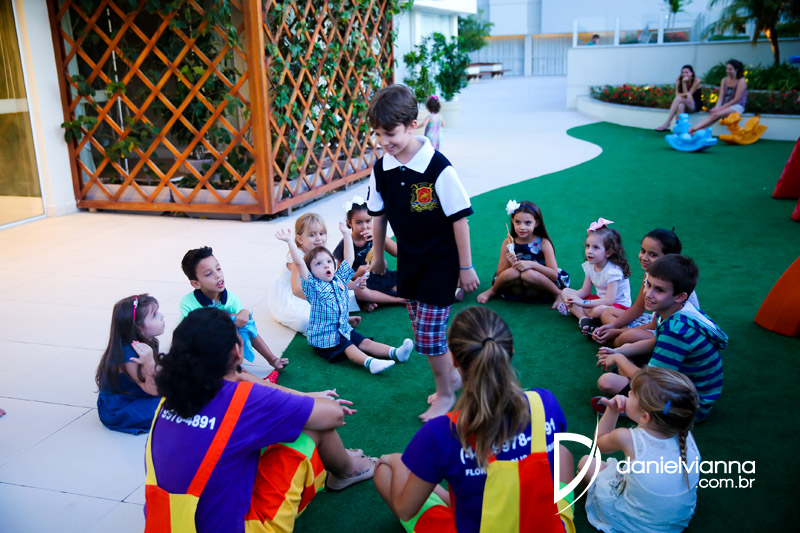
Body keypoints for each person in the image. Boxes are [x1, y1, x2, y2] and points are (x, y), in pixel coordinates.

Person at [144, 307, 378, 532]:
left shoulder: (170, 398)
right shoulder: (240, 398)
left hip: (168, 524)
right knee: (311, 425)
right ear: (237, 352)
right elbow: (333, 415)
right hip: (239, 529)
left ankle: (343, 459)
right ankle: (348, 471)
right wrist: (247, 379)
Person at [373, 307, 575, 533]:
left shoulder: (441, 432)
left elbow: (405, 510)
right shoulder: (545, 402)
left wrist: (396, 461)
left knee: (385, 470)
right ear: (511, 350)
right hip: (547, 527)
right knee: (561, 452)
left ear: (453, 360)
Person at [366, 84, 480, 421]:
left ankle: (445, 394)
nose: (384, 141)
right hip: (410, 262)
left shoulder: (438, 167)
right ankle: (454, 377)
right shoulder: (382, 168)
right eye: (378, 134)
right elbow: (378, 215)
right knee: (423, 331)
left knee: (428, 337)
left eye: (390, 133)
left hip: (440, 263)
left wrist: (466, 267)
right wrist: (378, 256)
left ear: (411, 125)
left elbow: (460, 220)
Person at [596, 255, 727, 421]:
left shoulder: (676, 332)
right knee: (629, 353)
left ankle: (632, 408)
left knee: (606, 382)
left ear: (680, 296)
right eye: (648, 285)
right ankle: (632, 396)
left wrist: (619, 359)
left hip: (687, 407)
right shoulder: (675, 309)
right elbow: (654, 341)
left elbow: (651, 381)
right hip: (682, 381)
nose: (648, 294)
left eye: (659, 290)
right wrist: (618, 351)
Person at [276, 223, 413, 374]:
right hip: (326, 338)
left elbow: (349, 259)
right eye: (319, 264)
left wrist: (347, 235)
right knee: (349, 346)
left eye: (329, 261)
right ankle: (370, 363)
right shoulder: (313, 286)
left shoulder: (338, 279)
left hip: (342, 328)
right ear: (311, 272)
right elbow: (300, 264)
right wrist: (290, 242)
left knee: (364, 341)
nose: (326, 266)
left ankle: (395, 353)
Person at [579, 367, 701, 533]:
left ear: (644, 417)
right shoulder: (685, 433)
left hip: (637, 526)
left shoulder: (627, 437)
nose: (628, 393)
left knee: (586, 463)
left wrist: (612, 410)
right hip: (676, 524)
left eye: (632, 393)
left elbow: (599, 443)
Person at [180, 246, 288, 373]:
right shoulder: (188, 304)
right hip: (202, 349)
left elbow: (243, 325)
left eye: (218, 268)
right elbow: (189, 335)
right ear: (196, 284)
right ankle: (231, 368)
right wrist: (226, 318)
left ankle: (272, 359)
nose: (218, 275)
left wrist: (245, 313)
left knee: (245, 324)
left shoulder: (231, 299)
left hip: (227, 345)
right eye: (209, 274)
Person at [592, 228, 700, 351]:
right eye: (643, 251)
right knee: (607, 312)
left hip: (669, 332)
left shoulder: (671, 283)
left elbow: (656, 325)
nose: (644, 257)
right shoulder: (651, 273)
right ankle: (619, 339)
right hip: (655, 321)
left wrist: (618, 332)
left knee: (628, 336)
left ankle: (614, 342)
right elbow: (638, 308)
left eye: (653, 254)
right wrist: (612, 326)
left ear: (669, 258)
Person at [477, 199, 569, 305]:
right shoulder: (507, 242)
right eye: (518, 222)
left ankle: (557, 293)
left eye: (528, 223)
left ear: (536, 223)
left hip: (538, 282)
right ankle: (493, 290)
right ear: (512, 220)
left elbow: (553, 275)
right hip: (517, 285)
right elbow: (500, 274)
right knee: (513, 272)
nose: (522, 227)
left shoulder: (543, 243)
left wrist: (532, 265)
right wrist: (509, 263)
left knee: (528, 274)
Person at [95, 294, 162, 435]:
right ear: (139, 327)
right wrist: (149, 363)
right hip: (121, 407)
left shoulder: (146, 343)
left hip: (137, 393)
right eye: (154, 315)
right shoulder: (130, 357)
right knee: (172, 406)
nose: (162, 316)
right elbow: (153, 390)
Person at [558, 218, 631, 333]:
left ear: (608, 252)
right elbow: (585, 291)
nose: (589, 251)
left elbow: (609, 301)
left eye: (596, 247)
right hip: (599, 301)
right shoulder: (590, 265)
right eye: (588, 246)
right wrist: (572, 299)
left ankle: (579, 312)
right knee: (565, 292)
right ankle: (584, 318)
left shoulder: (613, 272)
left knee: (600, 310)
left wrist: (582, 303)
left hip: (615, 307)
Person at [333, 195, 405, 310]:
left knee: (409, 273)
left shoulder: (373, 235)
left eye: (368, 221)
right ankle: (398, 299)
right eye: (359, 222)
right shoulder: (345, 244)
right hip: (363, 283)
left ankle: (377, 300)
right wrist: (357, 273)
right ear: (349, 223)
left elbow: (398, 252)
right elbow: (341, 278)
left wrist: (379, 235)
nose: (365, 226)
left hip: (380, 276)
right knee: (361, 292)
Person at [689, 59, 747, 135]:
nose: (727, 71)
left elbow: (736, 99)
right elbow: (721, 95)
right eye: (727, 69)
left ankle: (693, 129)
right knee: (714, 114)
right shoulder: (724, 80)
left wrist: (720, 109)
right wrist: (717, 108)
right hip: (725, 105)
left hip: (737, 106)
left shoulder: (741, 81)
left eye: (730, 69)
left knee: (716, 114)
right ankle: (698, 132)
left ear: (736, 70)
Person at [656, 65, 702, 132]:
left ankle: (668, 122)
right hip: (684, 103)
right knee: (680, 105)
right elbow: (677, 94)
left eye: (687, 72)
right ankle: (678, 127)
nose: (684, 74)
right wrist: (683, 85)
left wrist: (684, 83)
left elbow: (688, 96)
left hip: (694, 105)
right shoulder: (679, 79)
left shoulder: (696, 81)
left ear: (692, 73)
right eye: (683, 73)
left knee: (678, 99)